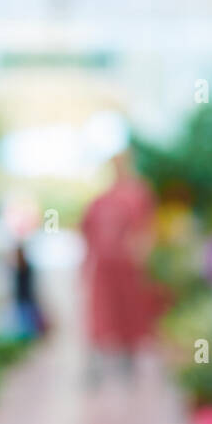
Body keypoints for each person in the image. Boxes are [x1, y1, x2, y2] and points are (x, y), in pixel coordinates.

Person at [79, 146, 157, 383]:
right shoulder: (102, 199)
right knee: (101, 315)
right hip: (104, 266)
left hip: (129, 268)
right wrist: (87, 262)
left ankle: (129, 362)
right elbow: (88, 231)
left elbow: (146, 228)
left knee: (130, 314)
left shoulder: (139, 193)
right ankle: (96, 367)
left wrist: (141, 254)